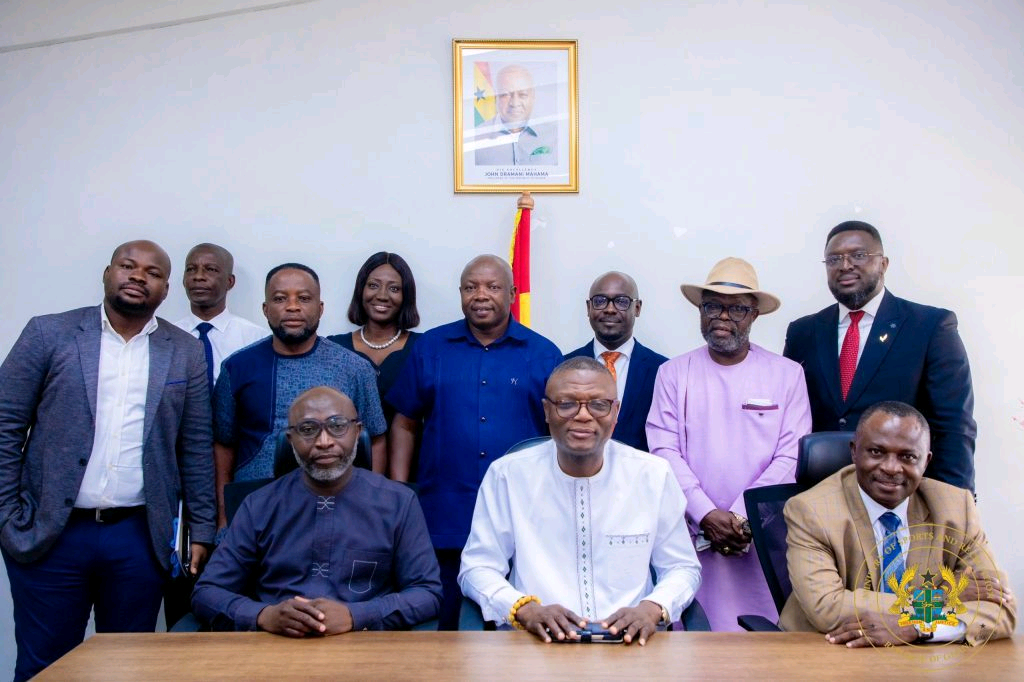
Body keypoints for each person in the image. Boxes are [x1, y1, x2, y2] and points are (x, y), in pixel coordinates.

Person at [0, 240, 215, 681]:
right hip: (51, 533)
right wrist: (6, 515)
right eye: (128, 265)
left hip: (138, 536)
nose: (138, 276)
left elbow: (194, 447)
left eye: (153, 273)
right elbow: (5, 424)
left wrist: (202, 528)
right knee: (45, 666)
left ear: (166, 289)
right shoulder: (48, 333)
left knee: (127, 667)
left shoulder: (184, 350)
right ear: (107, 273)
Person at [459, 358, 701, 644]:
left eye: (598, 404)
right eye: (566, 404)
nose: (583, 416)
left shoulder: (653, 475)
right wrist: (525, 609)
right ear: (547, 411)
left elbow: (682, 567)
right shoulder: (508, 475)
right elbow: (477, 567)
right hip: (537, 643)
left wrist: (651, 608)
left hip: (631, 645)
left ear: (615, 412)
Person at [387, 254, 562, 629]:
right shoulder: (432, 347)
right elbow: (405, 422)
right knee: (444, 623)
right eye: (470, 287)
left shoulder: (544, 353)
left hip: (525, 514)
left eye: (492, 287)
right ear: (461, 293)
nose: (480, 295)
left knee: (521, 622)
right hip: (444, 512)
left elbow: (560, 434)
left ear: (512, 293)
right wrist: (400, 493)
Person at [647, 257, 811, 631]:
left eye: (736, 308)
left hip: (760, 536)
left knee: (762, 641)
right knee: (694, 641)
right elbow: (663, 450)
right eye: (712, 306)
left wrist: (740, 517)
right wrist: (705, 513)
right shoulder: (673, 374)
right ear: (700, 312)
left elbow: (791, 454)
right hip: (692, 534)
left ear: (754, 314)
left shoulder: (788, 375)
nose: (722, 316)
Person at [193, 386, 441, 633]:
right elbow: (207, 592)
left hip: (365, 644)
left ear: (357, 432)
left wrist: (356, 616)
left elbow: (428, 593)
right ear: (290, 439)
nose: (324, 442)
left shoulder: (398, 502)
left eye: (337, 426)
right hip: (274, 645)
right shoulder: (259, 505)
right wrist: (264, 615)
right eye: (308, 429)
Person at [780, 401, 1015, 646]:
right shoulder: (810, 510)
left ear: (926, 461)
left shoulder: (957, 507)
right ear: (854, 451)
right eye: (876, 452)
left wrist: (918, 627)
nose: (891, 468)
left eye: (908, 456)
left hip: (918, 656)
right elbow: (827, 607)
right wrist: (942, 597)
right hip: (823, 648)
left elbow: (1001, 609)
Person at [783, 220, 976, 491]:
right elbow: (790, 420)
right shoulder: (803, 332)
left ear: (883, 264)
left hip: (901, 492)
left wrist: (953, 500)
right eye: (834, 259)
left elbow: (953, 426)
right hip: (819, 494)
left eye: (859, 255)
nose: (845, 265)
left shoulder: (930, 326)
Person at [212, 263, 387, 532]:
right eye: (280, 299)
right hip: (254, 511)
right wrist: (224, 516)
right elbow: (223, 444)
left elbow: (375, 438)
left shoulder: (354, 368)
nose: (292, 307)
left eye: (304, 298)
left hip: (338, 510)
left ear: (320, 308)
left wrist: (372, 507)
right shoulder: (237, 367)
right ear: (265, 309)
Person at [564, 271, 668, 451]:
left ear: (637, 308)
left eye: (621, 301)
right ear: (588, 308)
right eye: (600, 301)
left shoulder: (663, 370)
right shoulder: (564, 367)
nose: (610, 309)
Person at [327, 252, 421, 432]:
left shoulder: (423, 347)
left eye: (394, 289)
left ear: (406, 296)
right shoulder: (334, 347)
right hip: (347, 449)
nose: (382, 295)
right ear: (360, 290)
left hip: (412, 448)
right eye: (373, 285)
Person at [173, 243, 266, 386]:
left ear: (230, 282)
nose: (198, 277)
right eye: (191, 269)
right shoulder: (168, 337)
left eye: (210, 269)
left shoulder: (256, 339)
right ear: (184, 280)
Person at [474, 64, 558, 166]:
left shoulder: (555, 136)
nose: (514, 103)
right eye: (505, 95)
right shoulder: (475, 139)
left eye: (523, 95)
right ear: (496, 96)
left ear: (533, 96)